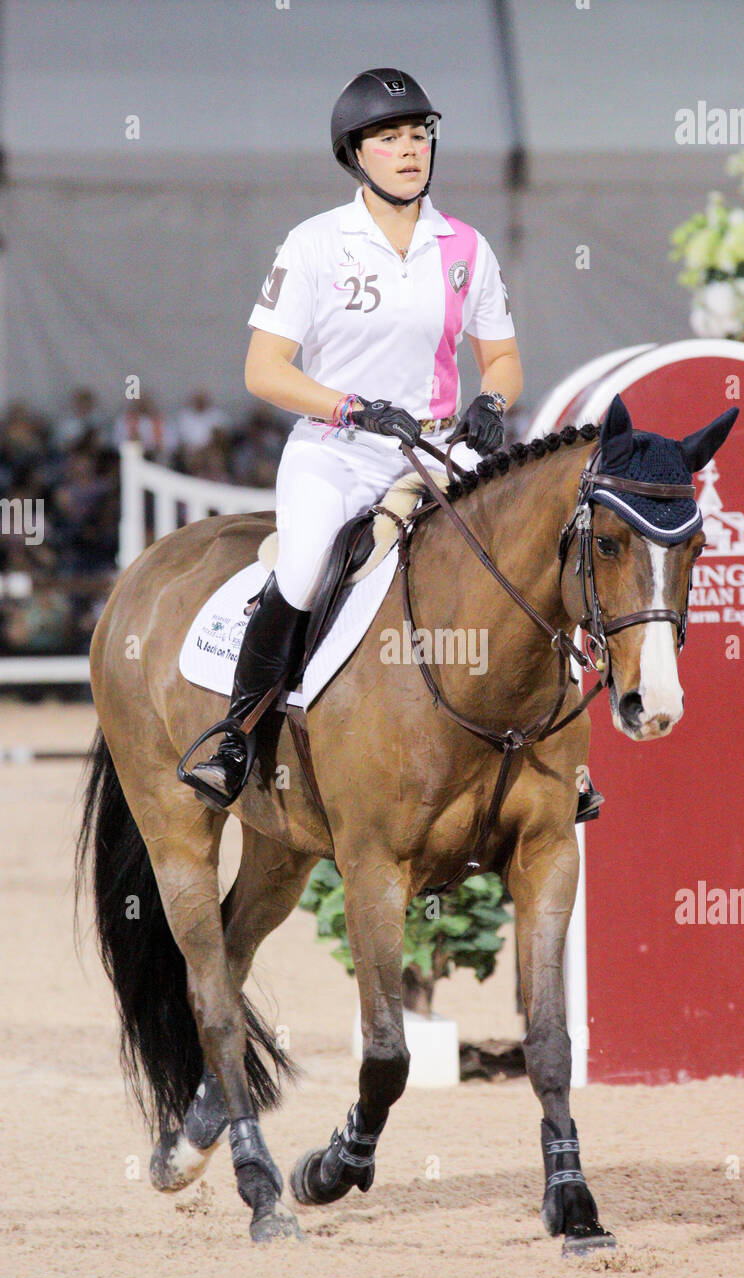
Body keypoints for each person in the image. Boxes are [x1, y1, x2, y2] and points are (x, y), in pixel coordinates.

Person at [187, 67, 521, 806]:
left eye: (418, 135)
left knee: (521, 555)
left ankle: (556, 749)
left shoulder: (465, 246)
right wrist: (353, 409)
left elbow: (500, 357)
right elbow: (264, 369)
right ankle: (236, 735)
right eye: (390, 138)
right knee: (304, 568)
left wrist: (494, 400)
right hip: (337, 451)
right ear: (355, 154)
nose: (410, 150)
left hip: (438, 449)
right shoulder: (314, 244)